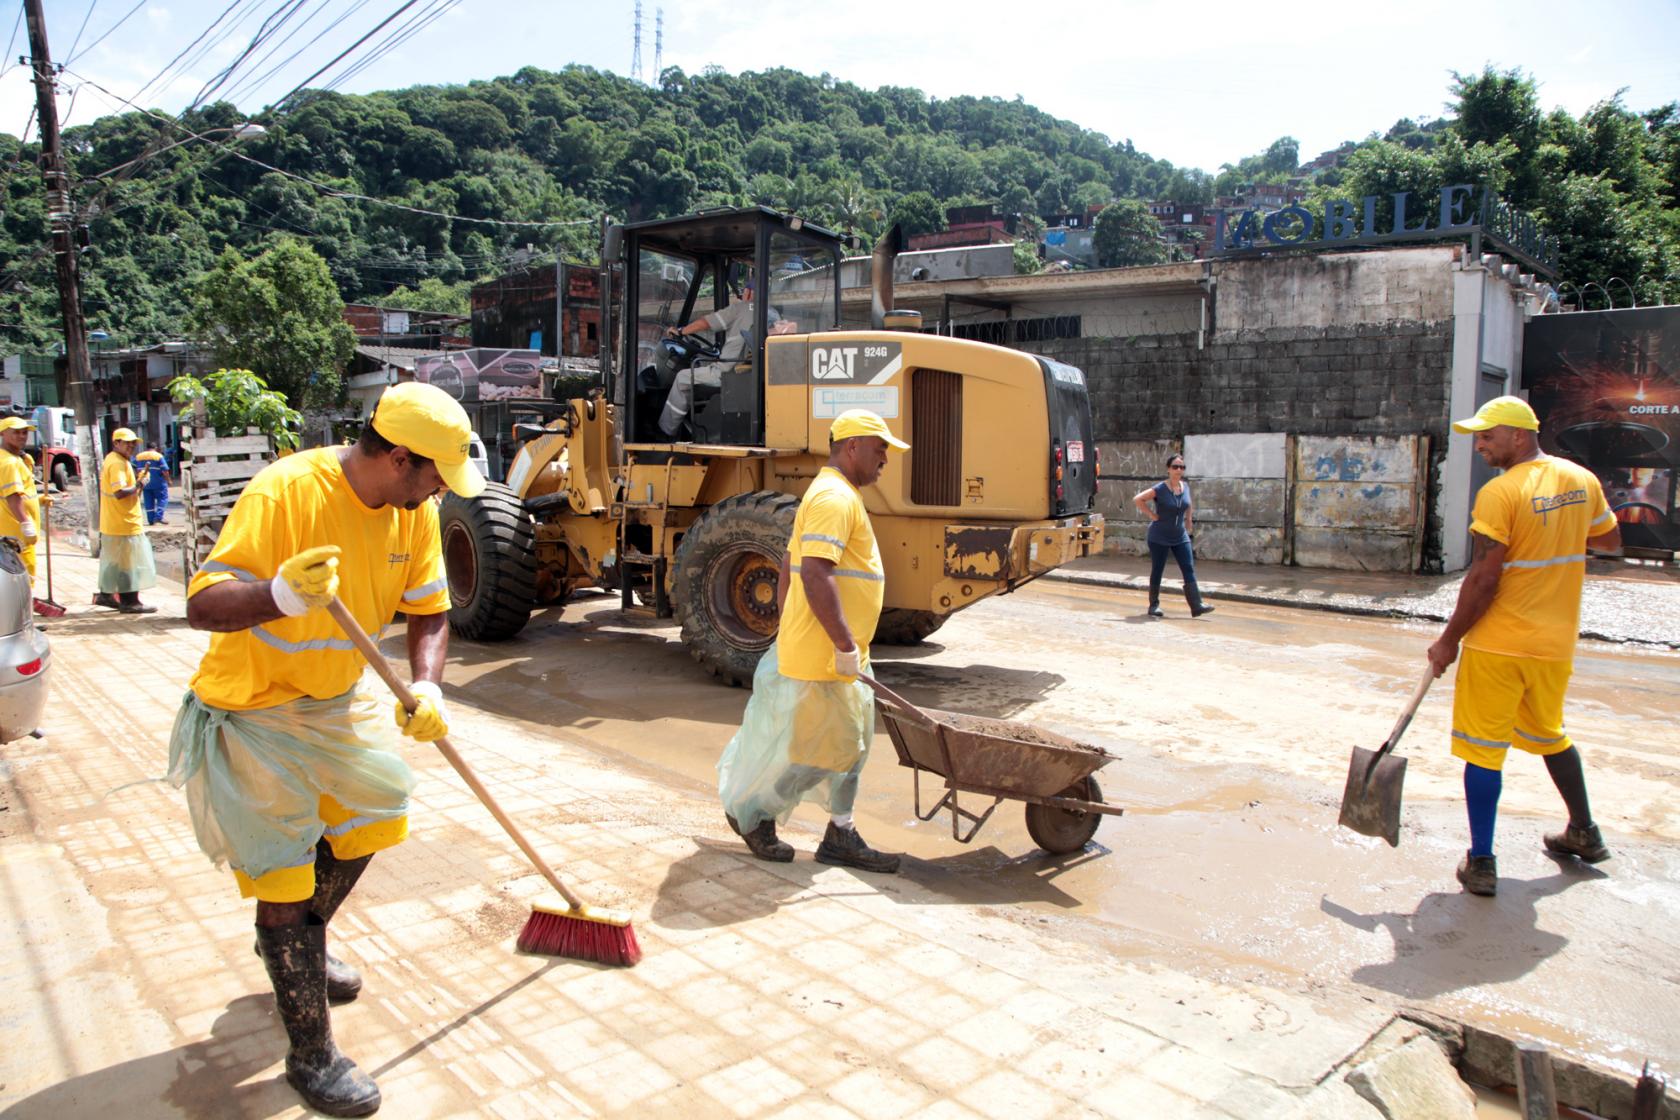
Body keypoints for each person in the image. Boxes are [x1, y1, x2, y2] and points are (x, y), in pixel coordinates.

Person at [165, 382, 484, 1117]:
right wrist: (275, 594)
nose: (442, 489)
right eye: (436, 473)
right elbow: (201, 604)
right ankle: (311, 1053)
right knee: (283, 883)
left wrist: (428, 688)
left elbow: (430, 611)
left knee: (377, 812)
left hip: (335, 703)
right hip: (254, 709)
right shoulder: (286, 491)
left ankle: (296, 937)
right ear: (400, 457)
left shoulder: (418, 513)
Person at [1426, 396, 1622, 898]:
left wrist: (1449, 641)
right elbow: (1610, 541)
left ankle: (1482, 861)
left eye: (1488, 436)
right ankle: (1584, 831)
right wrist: (1559, 532)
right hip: (1555, 643)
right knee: (1550, 734)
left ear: (1519, 435)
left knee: (1484, 748)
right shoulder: (1581, 480)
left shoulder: (1501, 493)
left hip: (1501, 644)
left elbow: (1484, 579)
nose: (1481, 445)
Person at [716, 409, 907, 873]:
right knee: (820, 751)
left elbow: (789, 566)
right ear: (852, 447)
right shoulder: (834, 499)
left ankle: (839, 832)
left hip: (834, 652)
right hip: (828, 657)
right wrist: (840, 644)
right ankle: (753, 814)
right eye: (880, 448)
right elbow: (817, 573)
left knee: (848, 746)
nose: (886, 458)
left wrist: (793, 626)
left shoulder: (834, 494)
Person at [659, 274, 796, 438]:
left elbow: (706, 323)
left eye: (743, 292)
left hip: (728, 372)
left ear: (748, 293)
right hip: (752, 375)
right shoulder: (774, 314)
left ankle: (665, 433)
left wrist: (681, 331)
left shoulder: (740, 308)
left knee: (682, 377)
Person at [1133, 453, 1214, 618]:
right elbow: (1138, 499)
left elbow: (1188, 502)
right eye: (1175, 467)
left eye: (1182, 467)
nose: (1179, 470)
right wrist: (1152, 515)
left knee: (1188, 567)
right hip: (1159, 536)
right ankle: (1153, 605)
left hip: (1179, 535)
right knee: (1158, 569)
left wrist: (1189, 519)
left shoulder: (1185, 486)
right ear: (1168, 469)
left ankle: (1196, 605)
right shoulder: (1160, 489)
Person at [94, 427, 157, 614]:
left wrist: (138, 483)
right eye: (126, 442)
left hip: (115, 521)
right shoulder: (118, 464)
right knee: (130, 563)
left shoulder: (115, 460)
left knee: (115, 562)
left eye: (133, 443)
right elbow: (120, 492)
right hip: (123, 523)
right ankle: (130, 602)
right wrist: (139, 483)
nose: (130, 446)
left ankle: (106, 594)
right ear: (116, 443)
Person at [0, 416, 43, 587]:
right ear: (3, 433)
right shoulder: (9, 462)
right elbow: (13, 496)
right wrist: (26, 522)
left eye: (24, 433)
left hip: (14, 533)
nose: (21, 436)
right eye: (16, 433)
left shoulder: (13, 458)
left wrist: (38, 500)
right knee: (21, 581)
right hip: (16, 535)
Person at [137, 444, 170, 525]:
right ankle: (158, 517)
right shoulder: (158, 456)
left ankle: (151, 519)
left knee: (148, 500)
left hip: (145, 482)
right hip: (158, 482)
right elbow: (165, 470)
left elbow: (136, 469)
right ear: (156, 448)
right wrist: (169, 480)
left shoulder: (139, 456)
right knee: (163, 498)